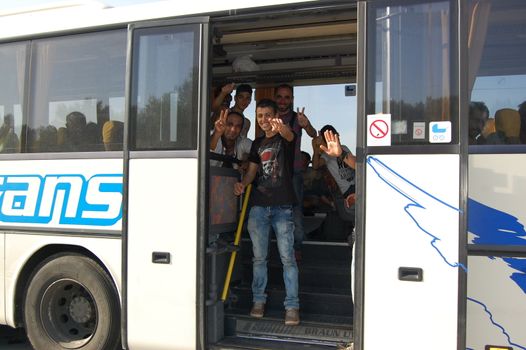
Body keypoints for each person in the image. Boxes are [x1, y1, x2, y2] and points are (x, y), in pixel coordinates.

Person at [233, 98, 300, 326]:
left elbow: (291, 136)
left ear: (275, 116)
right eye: (259, 116)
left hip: (283, 207)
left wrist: (283, 128)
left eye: (267, 115)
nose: (263, 120)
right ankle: (258, 301)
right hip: (258, 207)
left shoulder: (284, 136)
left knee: (287, 259)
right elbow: (252, 172)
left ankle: (292, 306)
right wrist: (243, 183)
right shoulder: (256, 144)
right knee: (259, 258)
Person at [275, 84, 317, 260]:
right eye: (280, 97)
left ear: (292, 99)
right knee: (274, 211)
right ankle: (278, 248)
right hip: (273, 173)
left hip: (294, 173)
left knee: (295, 210)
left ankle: (296, 247)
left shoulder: (297, 117)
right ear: (275, 98)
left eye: (287, 97)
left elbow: (314, 134)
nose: (283, 100)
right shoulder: (270, 115)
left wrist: (306, 125)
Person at [312, 125, 356, 213]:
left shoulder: (344, 148)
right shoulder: (327, 154)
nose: (335, 138)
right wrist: (316, 149)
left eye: (335, 136)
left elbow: (355, 164)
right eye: (330, 137)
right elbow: (315, 165)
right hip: (346, 190)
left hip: (357, 184)